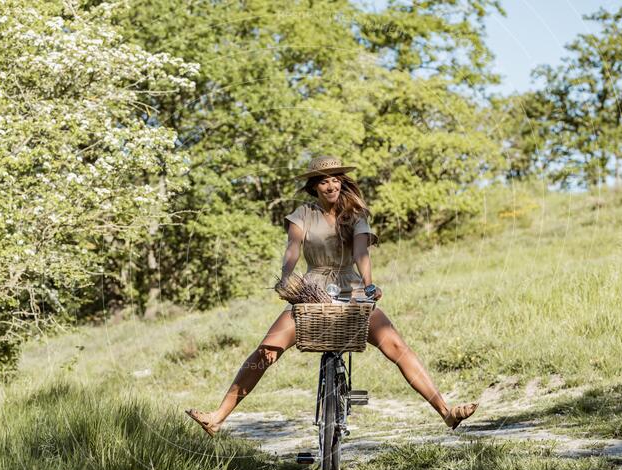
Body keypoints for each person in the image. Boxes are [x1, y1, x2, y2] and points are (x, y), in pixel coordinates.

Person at [185, 155, 477, 437]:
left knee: (396, 345)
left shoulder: (356, 215)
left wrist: (369, 283)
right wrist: (287, 276)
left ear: (342, 182)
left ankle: (445, 411)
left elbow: (361, 252)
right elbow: (292, 249)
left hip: (352, 287)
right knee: (267, 350)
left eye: (336, 180)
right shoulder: (303, 214)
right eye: (324, 182)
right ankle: (218, 417)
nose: (331, 186)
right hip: (312, 288)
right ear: (314, 187)